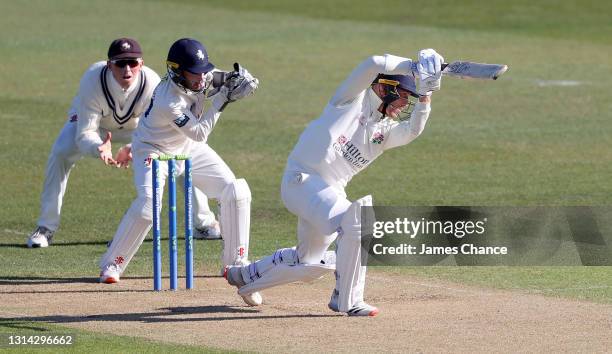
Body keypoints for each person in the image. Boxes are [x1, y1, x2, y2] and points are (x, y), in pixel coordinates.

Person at [225, 49, 445, 316]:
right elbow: (374, 63)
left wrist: (426, 96)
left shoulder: (383, 132)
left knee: (308, 265)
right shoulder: (350, 100)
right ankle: (347, 300)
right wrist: (413, 66)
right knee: (358, 222)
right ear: (386, 87)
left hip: (328, 193)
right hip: (302, 180)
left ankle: (244, 276)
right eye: (403, 97)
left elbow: (412, 131)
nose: (404, 106)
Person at [99, 38, 262, 306]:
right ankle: (113, 264)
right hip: (153, 150)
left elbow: (221, 78)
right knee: (148, 206)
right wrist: (222, 98)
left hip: (187, 148)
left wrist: (240, 79)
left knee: (235, 190)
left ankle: (237, 267)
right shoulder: (167, 99)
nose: (201, 77)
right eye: (194, 72)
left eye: (202, 70)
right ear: (176, 70)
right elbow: (199, 132)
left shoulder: (202, 75)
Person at [27, 38, 220, 248]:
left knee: (182, 152)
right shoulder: (93, 79)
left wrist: (133, 148)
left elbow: (162, 131)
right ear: (109, 65)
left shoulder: (151, 83)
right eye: (120, 63)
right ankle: (46, 227)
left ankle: (204, 222)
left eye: (133, 63)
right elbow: (85, 133)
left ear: (141, 64)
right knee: (61, 151)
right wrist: (98, 149)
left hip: (140, 129)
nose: (127, 69)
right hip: (98, 128)